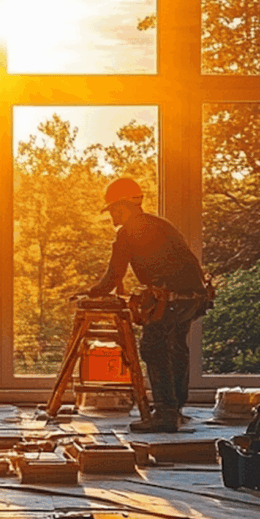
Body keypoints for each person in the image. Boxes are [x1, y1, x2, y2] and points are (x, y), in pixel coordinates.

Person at [80, 177, 210, 433]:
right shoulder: (160, 224)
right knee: (176, 346)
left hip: (173, 299)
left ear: (122, 207)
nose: (111, 217)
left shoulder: (128, 231)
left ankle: (164, 413)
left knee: (153, 346)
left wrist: (92, 293)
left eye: (112, 210)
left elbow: (114, 275)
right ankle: (175, 408)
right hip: (195, 297)